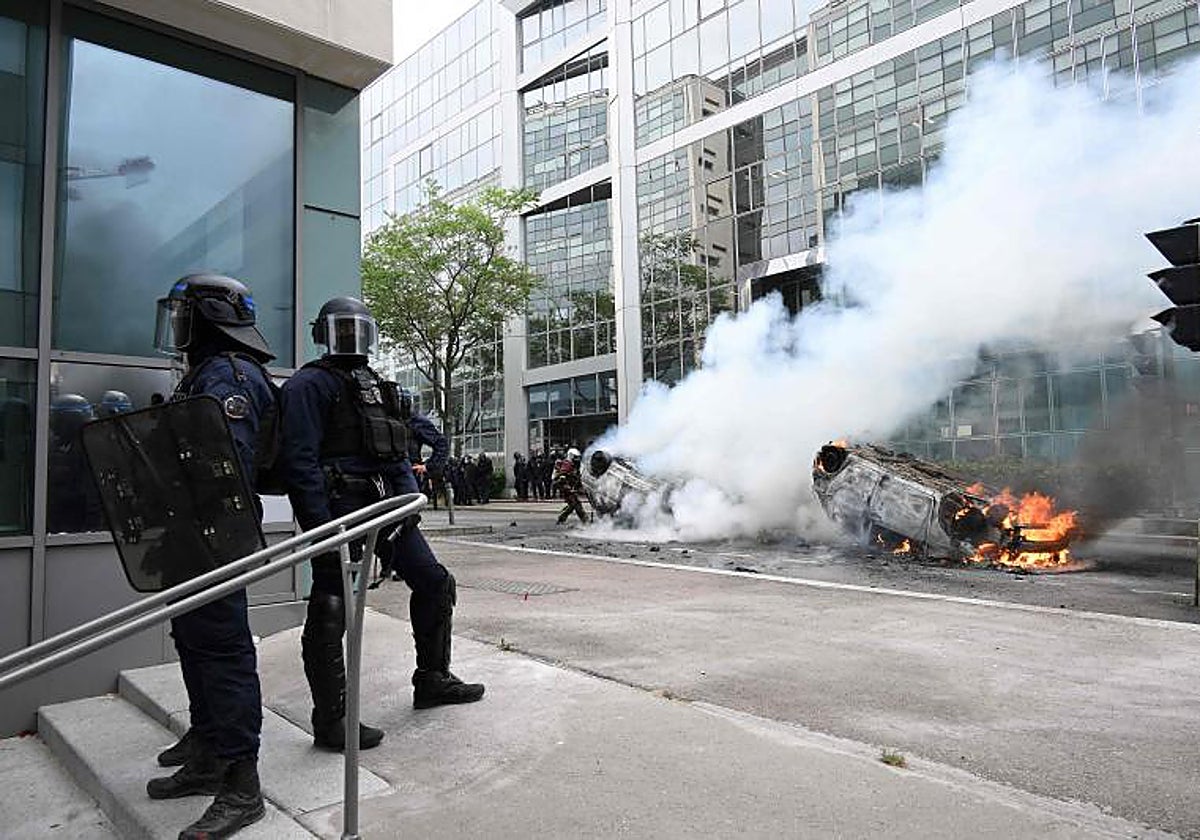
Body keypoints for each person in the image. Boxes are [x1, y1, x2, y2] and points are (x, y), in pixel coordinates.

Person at [278, 296, 484, 752]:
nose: (352, 339)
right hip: (340, 513)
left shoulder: (376, 385)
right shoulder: (307, 386)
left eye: (359, 329)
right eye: (342, 329)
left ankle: (432, 679)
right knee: (333, 608)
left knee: (434, 582)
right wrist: (321, 528)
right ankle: (332, 720)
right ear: (323, 334)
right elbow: (300, 462)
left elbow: (394, 451)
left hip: (389, 512)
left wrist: (410, 503)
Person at [147, 273, 275, 839]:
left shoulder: (229, 376)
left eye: (185, 313)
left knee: (223, 651)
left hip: (216, 540)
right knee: (193, 640)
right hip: (190, 539)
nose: (177, 323)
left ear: (210, 317)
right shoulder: (201, 373)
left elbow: (227, 466)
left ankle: (242, 784)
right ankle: (207, 750)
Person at [552, 447, 589, 525]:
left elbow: (576, 478)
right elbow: (562, 477)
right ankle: (585, 520)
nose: (577, 459)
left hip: (569, 487)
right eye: (575, 457)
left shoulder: (574, 465)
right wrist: (567, 487)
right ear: (571, 456)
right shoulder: (567, 464)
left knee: (573, 504)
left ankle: (561, 518)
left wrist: (580, 488)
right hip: (565, 487)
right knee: (575, 504)